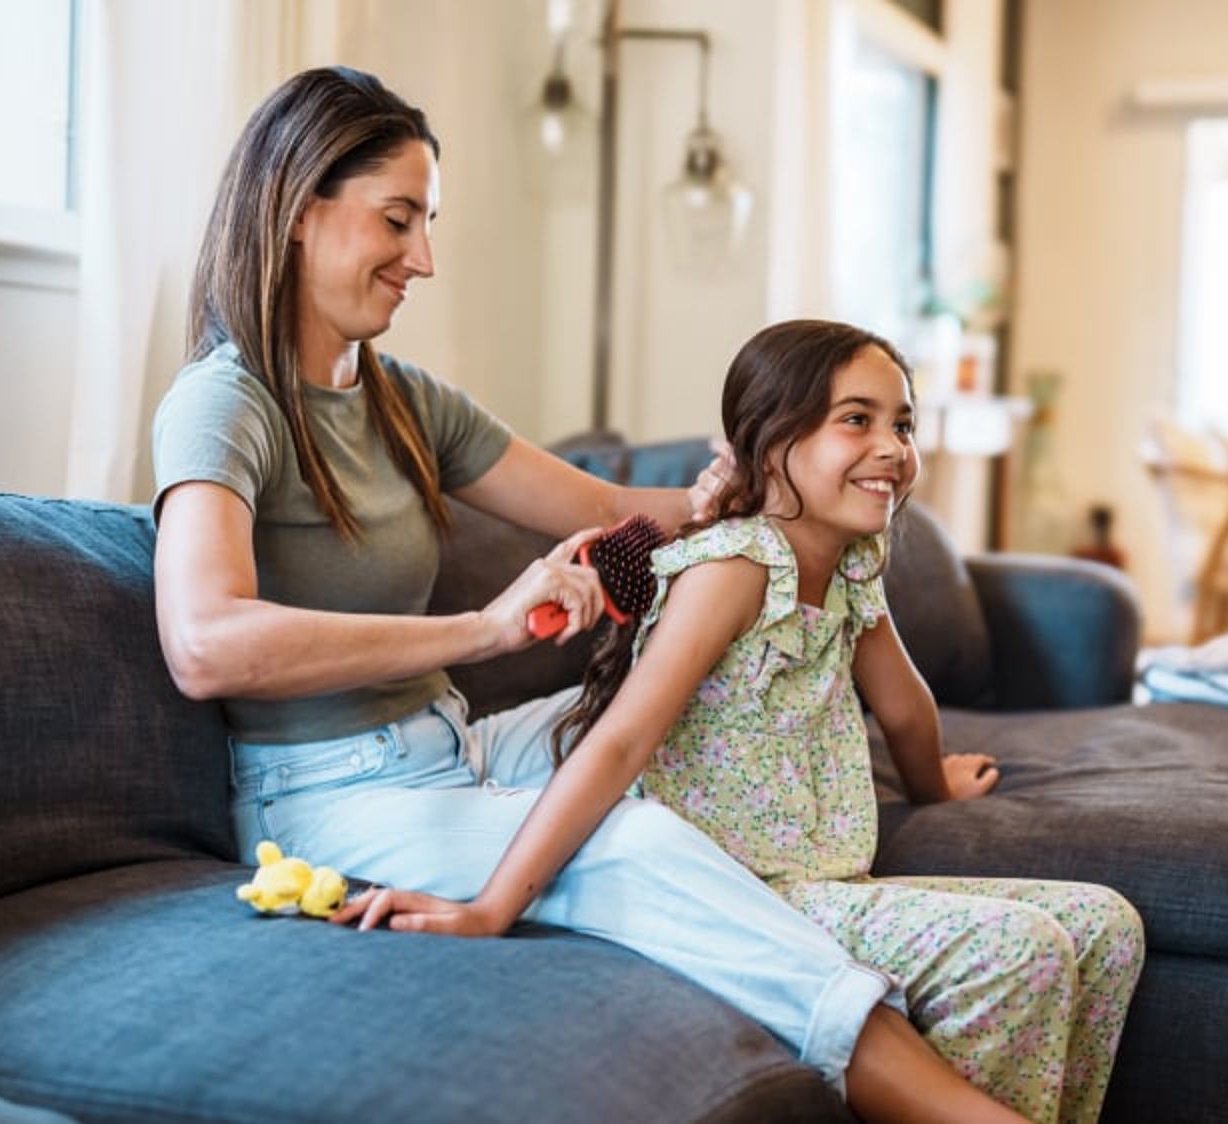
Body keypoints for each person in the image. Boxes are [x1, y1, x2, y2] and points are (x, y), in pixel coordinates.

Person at [154, 66, 1033, 1122]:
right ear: (299, 210)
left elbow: (617, 502)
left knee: (657, 730)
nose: (422, 259)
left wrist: (766, 491)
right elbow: (206, 642)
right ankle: (948, 1098)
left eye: (426, 223)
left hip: (448, 750)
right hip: (324, 795)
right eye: (398, 220)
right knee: (628, 834)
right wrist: (480, 630)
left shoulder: (400, 399)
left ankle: (810, 898)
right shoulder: (221, 404)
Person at [533, 319, 1147, 1122]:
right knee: (1017, 951)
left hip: (827, 881)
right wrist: (495, 905)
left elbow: (904, 705)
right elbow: (618, 742)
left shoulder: (853, 567)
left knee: (1109, 925)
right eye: (856, 420)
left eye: (902, 423)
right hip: (746, 894)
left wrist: (936, 787)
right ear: (770, 441)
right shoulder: (734, 568)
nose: (892, 447)